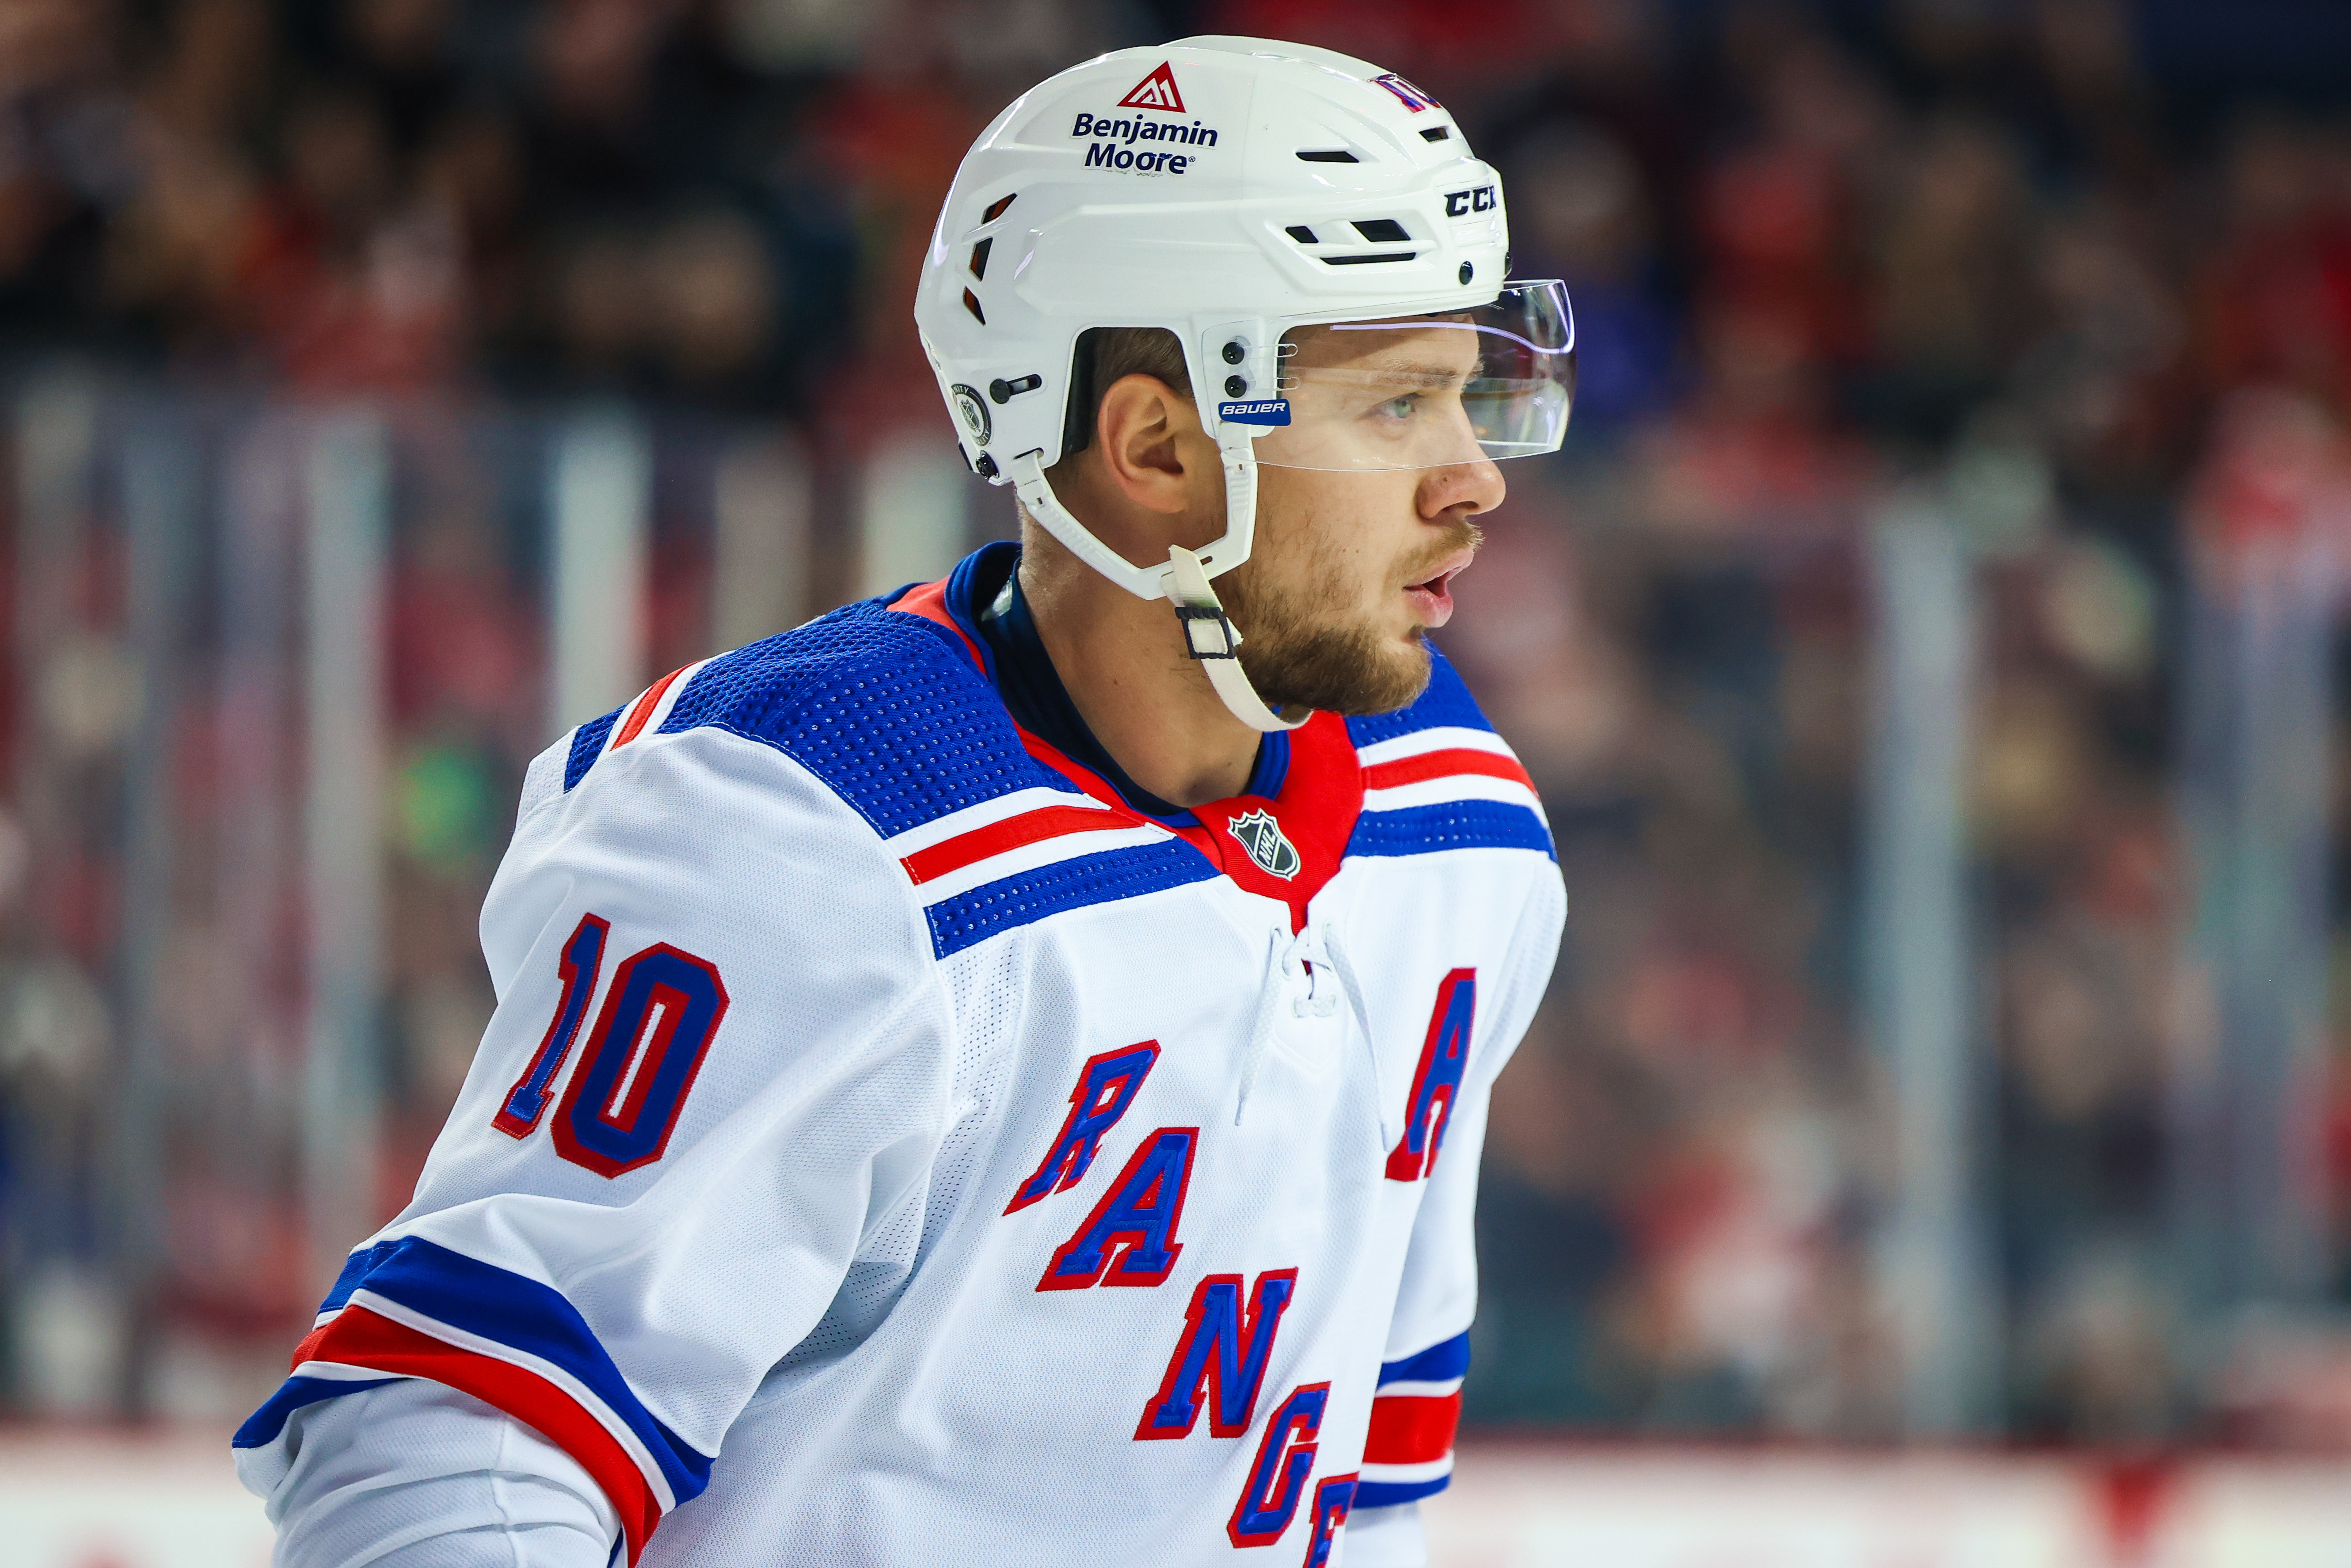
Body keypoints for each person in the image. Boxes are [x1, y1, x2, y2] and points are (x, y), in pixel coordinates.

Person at [232, 36, 1574, 1568]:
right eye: (1398, 405)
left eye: (1471, 394)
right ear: (1155, 446)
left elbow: (1373, 1446)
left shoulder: (1457, 822)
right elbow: (450, 1436)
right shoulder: (800, 827)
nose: (1476, 476)